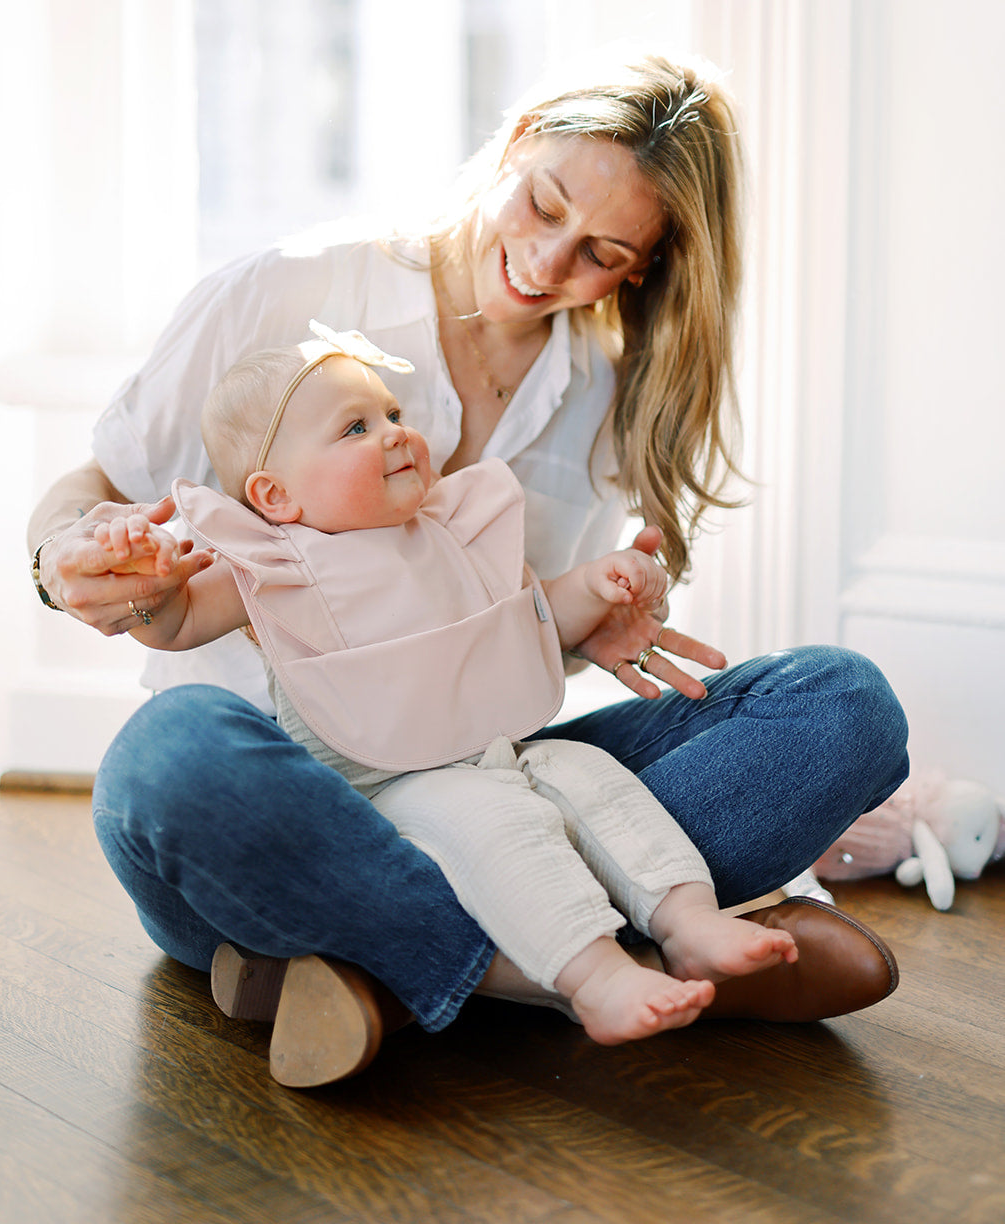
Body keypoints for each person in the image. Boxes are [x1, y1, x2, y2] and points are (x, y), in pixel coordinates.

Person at [27, 44, 909, 1086]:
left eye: (601, 253)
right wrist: (69, 557)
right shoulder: (289, 291)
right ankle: (570, 966)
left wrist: (592, 617)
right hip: (270, 804)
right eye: (543, 206)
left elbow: (498, 635)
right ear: (521, 140)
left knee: (843, 705)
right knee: (165, 762)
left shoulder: (599, 397)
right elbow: (101, 488)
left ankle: (386, 966)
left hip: (488, 785)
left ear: (641, 268)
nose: (547, 265)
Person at [94, 324, 801, 1059]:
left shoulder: (453, 530)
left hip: (501, 753)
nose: (396, 434)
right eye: (356, 428)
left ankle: (688, 924)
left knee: (597, 780)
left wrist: (600, 584)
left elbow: (531, 620)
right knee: (498, 824)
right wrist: (146, 581)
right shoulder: (276, 564)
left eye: (394, 415)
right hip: (384, 789)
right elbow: (174, 622)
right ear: (275, 496)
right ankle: (595, 978)